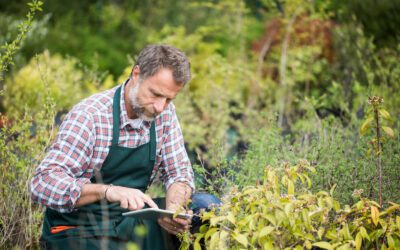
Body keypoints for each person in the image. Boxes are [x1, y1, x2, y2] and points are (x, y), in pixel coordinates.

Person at [30, 44, 220, 250]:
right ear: (136, 74)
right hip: (79, 229)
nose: (160, 107)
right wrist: (107, 191)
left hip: (131, 220)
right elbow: (43, 183)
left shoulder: (165, 113)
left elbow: (179, 172)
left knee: (206, 207)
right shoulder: (90, 116)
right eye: (155, 94)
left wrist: (174, 208)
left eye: (168, 99)